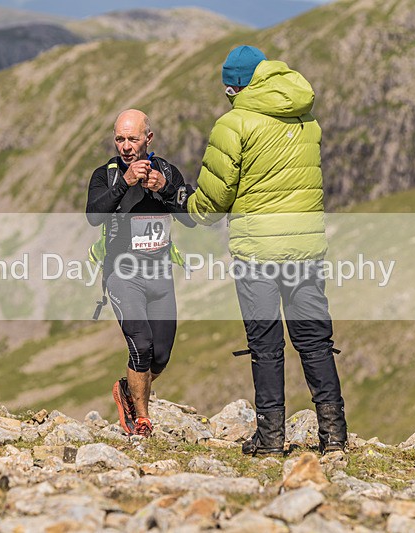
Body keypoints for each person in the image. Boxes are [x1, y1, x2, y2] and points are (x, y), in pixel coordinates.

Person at [187, 45, 348, 456]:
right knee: (314, 340)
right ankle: (334, 437)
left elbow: (214, 199)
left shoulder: (234, 123)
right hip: (306, 247)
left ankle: (271, 439)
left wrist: (187, 206)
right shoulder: (305, 117)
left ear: (235, 86)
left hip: (258, 250)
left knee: (265, 343)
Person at [86, 109, 194, 438]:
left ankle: (127, 388)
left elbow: (191, 216)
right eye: (120, 139)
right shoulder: (106, 174)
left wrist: (164, 189)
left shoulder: (166, 171)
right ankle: (143, 421)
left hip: (159, 274)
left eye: (133, 138)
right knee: (141, 346)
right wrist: (126, 183)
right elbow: (94, 215)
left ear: (149, 138)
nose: (126, 146)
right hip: (122, 273)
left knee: (159, 356)